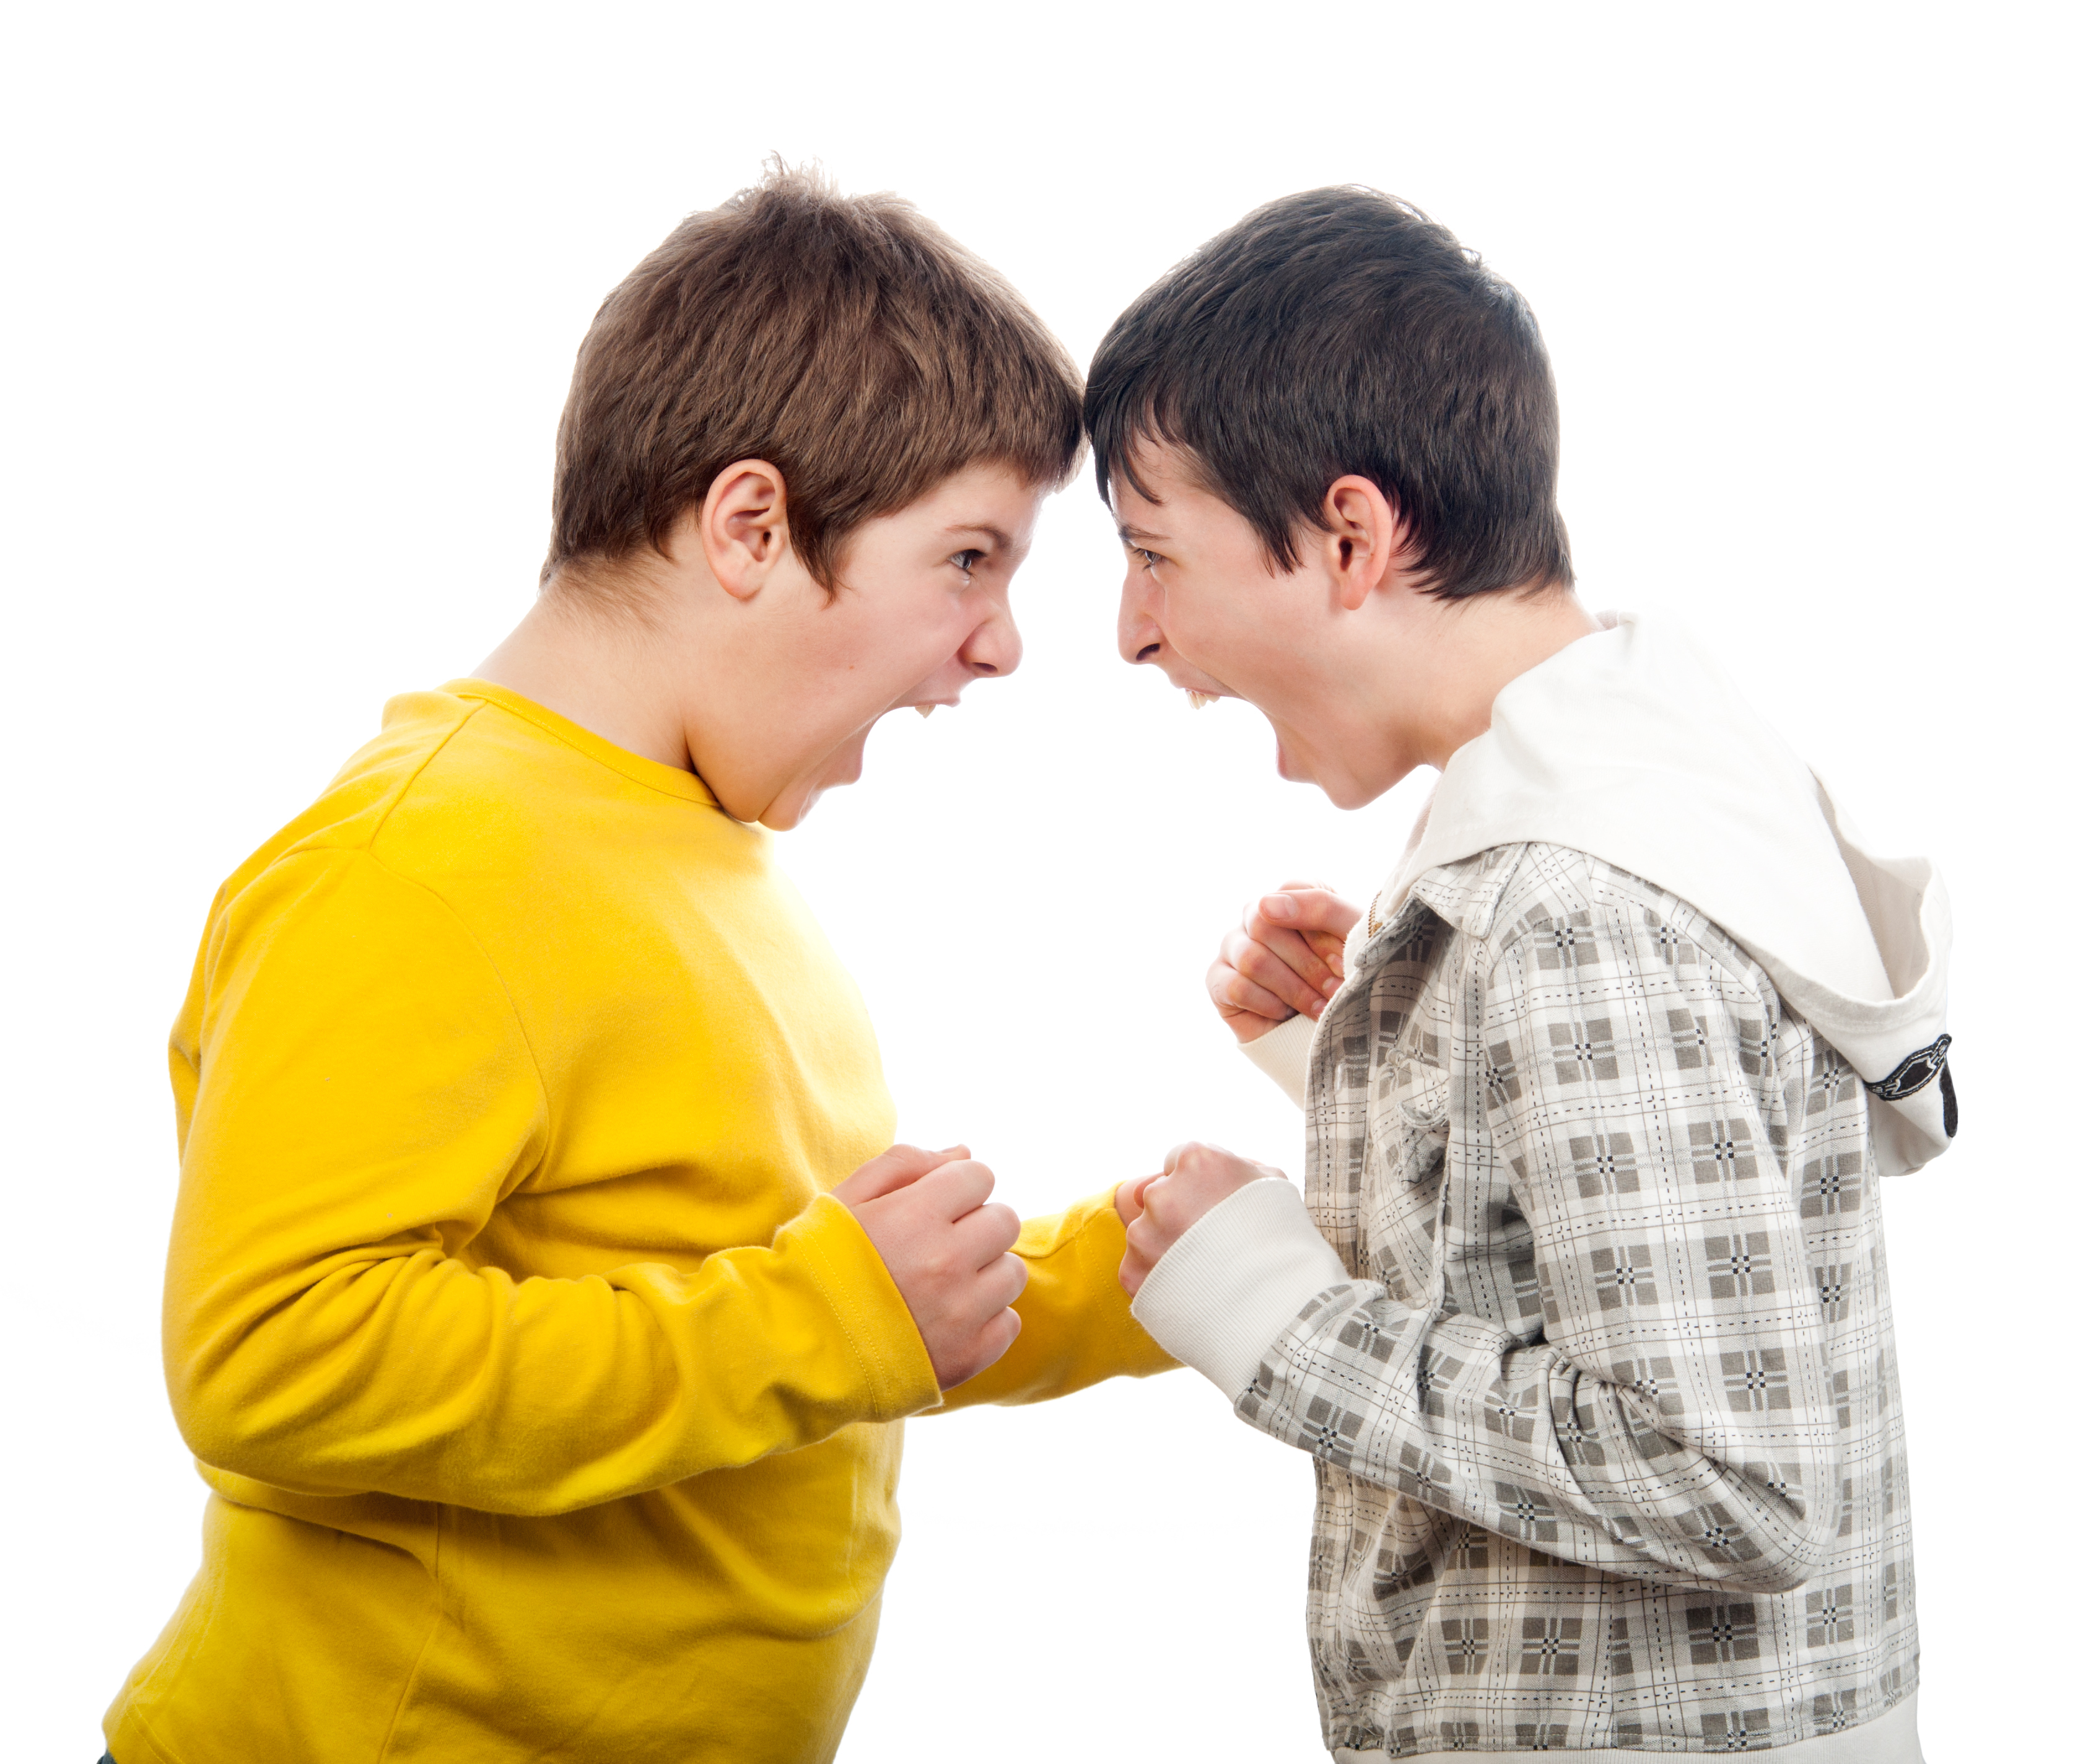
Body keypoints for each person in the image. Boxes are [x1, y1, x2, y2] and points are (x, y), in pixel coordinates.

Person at [102, 164, 1172, 1764]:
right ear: (750, 525)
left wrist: (1176, 1274)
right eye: (968, 560)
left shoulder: (702, 850)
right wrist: (828, 1317)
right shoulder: (426, 860)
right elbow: (270, 1360)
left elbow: (801, 1315)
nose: (1003, 642)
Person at [1097, 188, 1951, 1762]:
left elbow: (1731, 1476)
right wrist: (1365, 1057)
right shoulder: (1632, 785)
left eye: (1154, 553)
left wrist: (1272, 1310)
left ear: (1350, 537)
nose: (1134, 633)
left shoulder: (1575, 902)